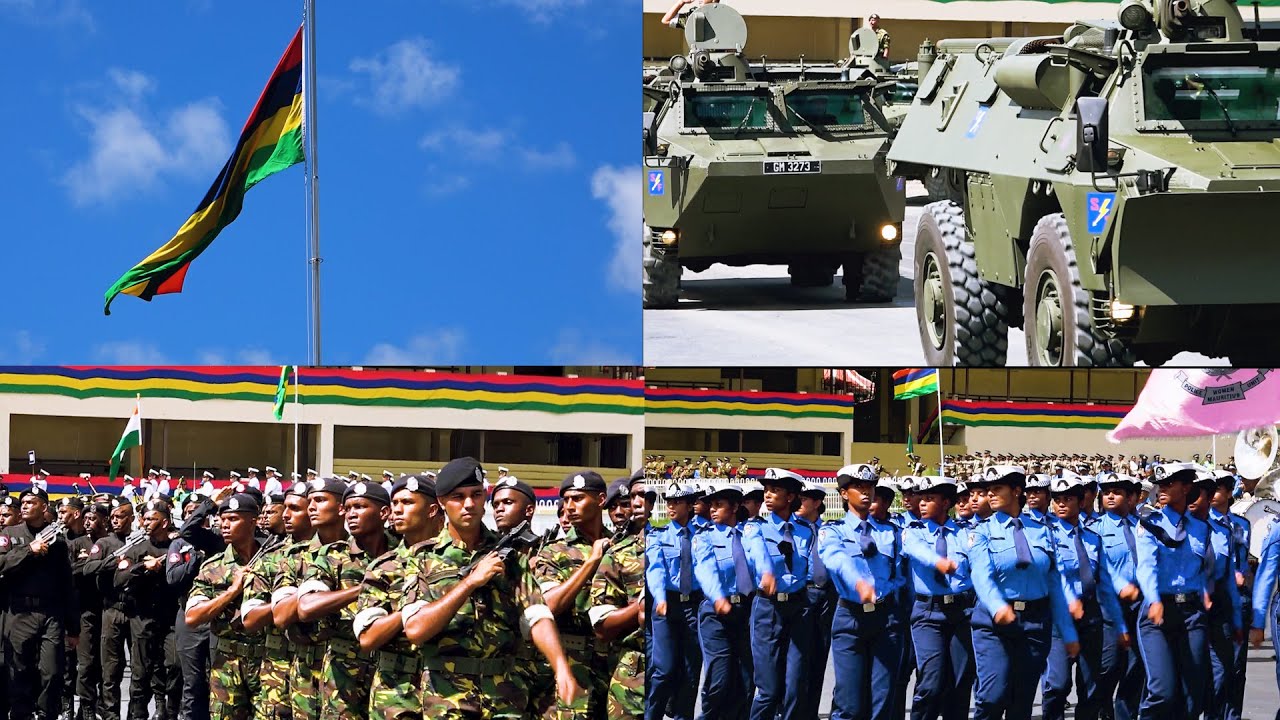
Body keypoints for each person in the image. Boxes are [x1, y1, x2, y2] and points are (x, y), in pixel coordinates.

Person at [401, 457, 582, 718]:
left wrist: (561, 667)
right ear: (441, 502)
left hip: (504, 692)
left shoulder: (509, 555)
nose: (469, 504)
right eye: (458, 497)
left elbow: (537, 614)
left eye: (476, 495)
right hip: (447, 697)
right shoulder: (423, 558)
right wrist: (470, 582)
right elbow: (416, 630)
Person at [968, 465, 1078, 720]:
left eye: (997, 488)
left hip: (1035, 624)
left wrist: (1068, 632)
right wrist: (998, 606)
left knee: (1022, 700)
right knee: (992, 696)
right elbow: (981, 575)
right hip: (994, 624)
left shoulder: (1043, 530)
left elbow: (1055, 583)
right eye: (988, 489)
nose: (990, 494)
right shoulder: (982, 530)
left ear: (1017, 491)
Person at [297, 482, 396, 720]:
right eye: (348, 508)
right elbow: (306, 607)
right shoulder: (334, 556)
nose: (351, 514)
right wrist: (364, 589)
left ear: (384, 513)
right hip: (344, 674)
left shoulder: (402, 554)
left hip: (394, 673)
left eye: (360, 507)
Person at [354, 474, 440, 720]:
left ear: (432, 510)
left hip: (447, 689)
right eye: (395, 503)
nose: (398, 510)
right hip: (396, 692)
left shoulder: (455, 561)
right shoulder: (385, 567)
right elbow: (368, 637)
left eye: (408, 503)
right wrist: (411, 612)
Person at [1042, 472, 1125, 720]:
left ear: (1081, 501)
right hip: (1060, 617)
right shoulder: (1045, 536)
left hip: (1091, 616)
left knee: (1090, 685)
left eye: (1068, 499)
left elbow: (1105, 582)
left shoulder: (1093, 538)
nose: (1061, 504)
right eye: (1057, 500)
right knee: (1057, 683)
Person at [1134, 462, 1212, 719]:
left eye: (1169, 484)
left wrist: (1205, 592)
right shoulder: (1149, 524)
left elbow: (1202, 569)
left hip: (1192, 614)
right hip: (1158, 613)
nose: (1161, 489)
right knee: (1162, 691)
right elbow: (1146, 567)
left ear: (1186, 488)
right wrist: (1154, 600)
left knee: (1192, 693)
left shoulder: (1201, 528)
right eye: (1160, 485)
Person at [536, 471, 614, 717]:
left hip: (615, 666)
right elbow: (549, 605)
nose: (569, 506)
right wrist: (591, 562)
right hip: (572, 663)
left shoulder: (621, 546)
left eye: (578, 498)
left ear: (600, 500)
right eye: (566, 499)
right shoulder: (554, 552)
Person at [271, 477, 348, 720]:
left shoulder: (364, 553)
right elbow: (281, 615)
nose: (312, 507)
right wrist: (309, 593)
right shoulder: (295, 557)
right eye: (310, 501)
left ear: (341, 507)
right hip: (306, 668)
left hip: (352, 671)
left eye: (320, 500)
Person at [0, 486, 80, 720]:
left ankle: (47, 714)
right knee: (19, 671)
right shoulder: (9, 533)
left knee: (52, 672)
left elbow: (66, 584)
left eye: (31, 502)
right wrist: (29, 550)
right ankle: (21, 714)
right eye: (23, 502)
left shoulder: (58, 541)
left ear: (44, 507)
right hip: (20, 612)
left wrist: (73, 628)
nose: (25, 506)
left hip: (50, 612)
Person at [185, 494, 267, 720]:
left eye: (233, 519)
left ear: (253, 521)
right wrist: (231, 592)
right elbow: (192, 617)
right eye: (222, 519)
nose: (224, 525)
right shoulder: (213, 567)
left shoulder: (274, 561)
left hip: (269, 661)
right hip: (227, 663)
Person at [901, 475, 974, 720]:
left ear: (946, 502)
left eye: (929, 498)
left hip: (961, 612)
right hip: (928, 613)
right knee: (931, 681)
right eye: (921, 498)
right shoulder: (913, 532)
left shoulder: (965, 533)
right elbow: (917, 551)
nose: (921, 503)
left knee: (959, 683)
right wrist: (939, 562)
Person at [745, 468, 815, 720]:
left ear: (790, 496)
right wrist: (766, 572)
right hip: (768, 608)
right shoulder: (755, 527)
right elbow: (756, 551)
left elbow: (812, 569)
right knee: (768, 689)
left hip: (798, 608)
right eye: (766, 490)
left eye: (775, 490)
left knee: (795, 685)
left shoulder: (806, 530)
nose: (768, 495)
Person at [240, 480, 313, 720]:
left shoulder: (344, 556)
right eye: (286, 508)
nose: (286, 515)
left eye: (295, 509)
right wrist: (295, 602)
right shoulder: (272, 558)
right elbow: (250, 618)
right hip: (278, 666)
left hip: (328, 668)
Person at [691, 483, 755, 720]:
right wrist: (718, 597)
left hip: (747, 610)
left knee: (746, 678)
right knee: (720, 676)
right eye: (711, 505)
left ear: (735, 507)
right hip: (715, 613)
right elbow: (704, 569)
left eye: (719, 505)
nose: (712, 510)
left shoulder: (750, 535)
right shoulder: (704, 537)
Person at [645, 483, 703, 720]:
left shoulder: (703, 535)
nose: (670, 506)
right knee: (664, 669)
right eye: (668, 502)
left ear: (690, 506)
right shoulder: (658, 535)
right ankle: (652, 714)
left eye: (677, 502)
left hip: (695, 605)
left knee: (691, 671)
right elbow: (655, 570)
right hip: (667, 604)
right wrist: (659, 597)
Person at [1093, 472, 1144, 720]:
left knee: (1135, 666)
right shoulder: (1095, 529)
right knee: (1109, 665)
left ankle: (1125, 714)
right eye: (1106, 492)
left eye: (1117, 492)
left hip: (1140, 605)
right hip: (1110, 607)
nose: (1110, 496)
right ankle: (1102, 707)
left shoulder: (1143, 528)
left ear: (1130, 497)